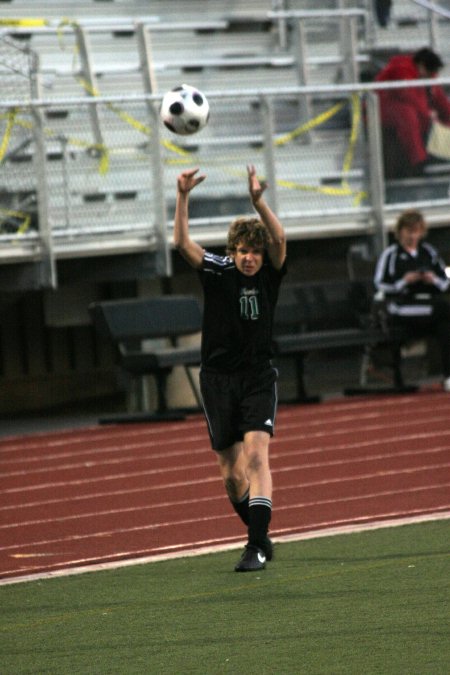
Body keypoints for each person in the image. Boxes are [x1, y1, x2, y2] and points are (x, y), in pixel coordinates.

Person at [173, 164, 287, 572]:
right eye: (243, 251)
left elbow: (279, 238)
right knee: (231, 476)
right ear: (232, 251)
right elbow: (183, 243)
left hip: (258, 377)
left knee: (257, 457)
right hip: (218, 380)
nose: (251, 258)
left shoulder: (270, 275)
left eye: (255, 252)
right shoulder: (218, 273)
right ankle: (260, 533)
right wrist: (183, 195)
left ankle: (255, 545)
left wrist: (259, 202)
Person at [374, 209, 450, 391]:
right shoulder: (391, 254)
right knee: (444, 310)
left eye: (416, 231)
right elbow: (380, 283)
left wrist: (432, 279)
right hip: (402, 305)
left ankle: (448, 376)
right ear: (400, 232)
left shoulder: (428, 252)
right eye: (409, 231)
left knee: (446, 326)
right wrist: (404, 281)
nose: (413, 235)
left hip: (429, 305)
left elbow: (445, 282)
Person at [375, 47, 450, 177]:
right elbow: (408, 96)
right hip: (383, 110)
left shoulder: (427, 74)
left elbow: (439, 100)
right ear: (421, 65)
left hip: (410, 112)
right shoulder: (401, 69)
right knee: (408, 116)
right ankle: (418, 161)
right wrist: (429, 116)